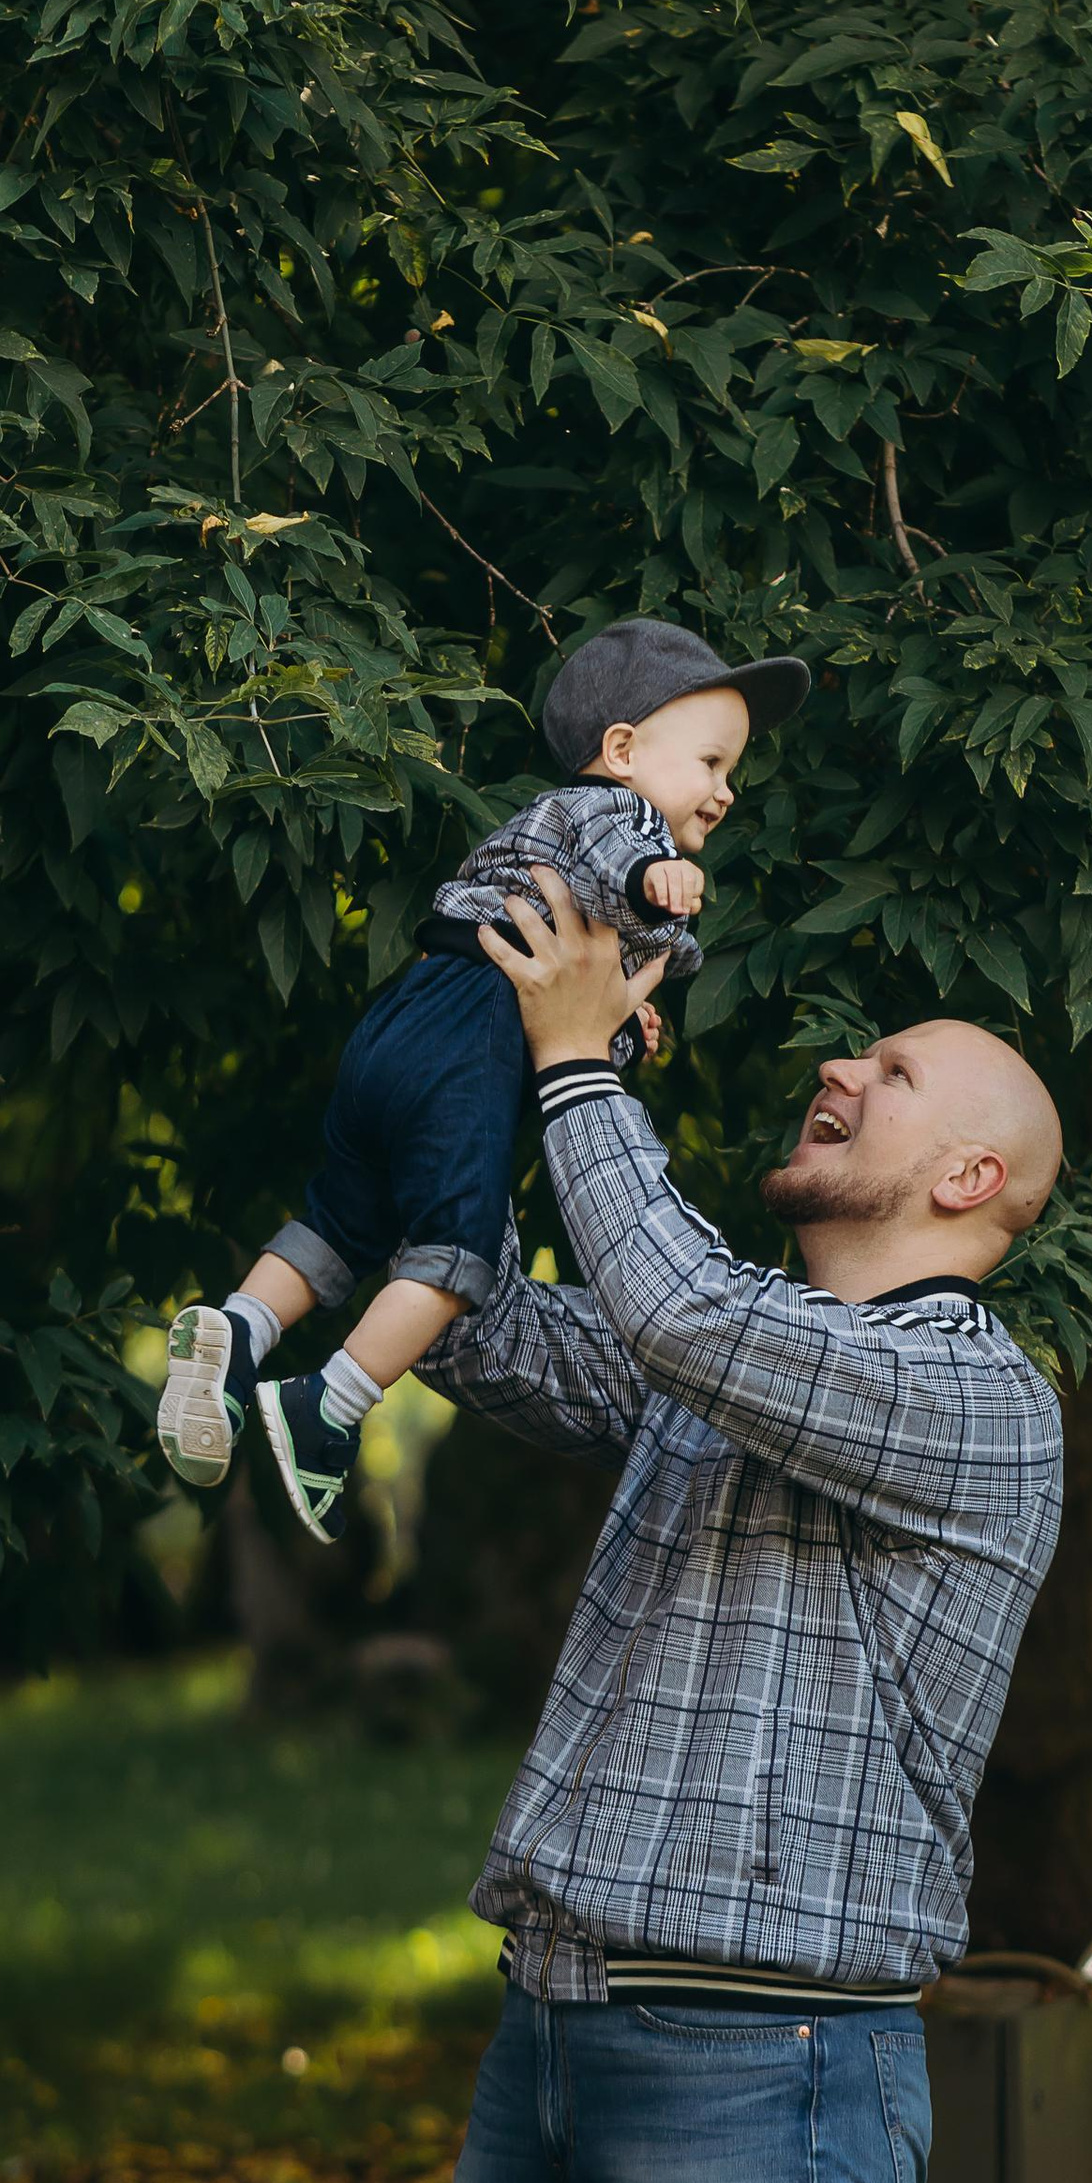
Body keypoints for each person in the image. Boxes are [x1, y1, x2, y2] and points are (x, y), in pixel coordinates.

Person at [433, 869, 1067, 2183]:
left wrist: (582, 1076)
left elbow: (680, 1310)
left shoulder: (972, 1400)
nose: (842, 1069)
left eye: (899, 1069)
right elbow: (478, 1318)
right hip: (548, 2042)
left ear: (966, 1182)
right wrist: (468, 1063)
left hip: (768, 2076)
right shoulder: (726, 1365)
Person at [154, 616, 808, 1536]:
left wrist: (624, 1021)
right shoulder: (620, 817)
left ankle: (240, 1334)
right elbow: (621, 869)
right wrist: (663, 878)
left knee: (344, 1218)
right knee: (456, 1253)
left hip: (407, 1018)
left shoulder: (540, 827)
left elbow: (571, 973)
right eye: (711, 763)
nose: (726, 792)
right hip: (472, 1041)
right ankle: (331, 1405)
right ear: (622, 750)